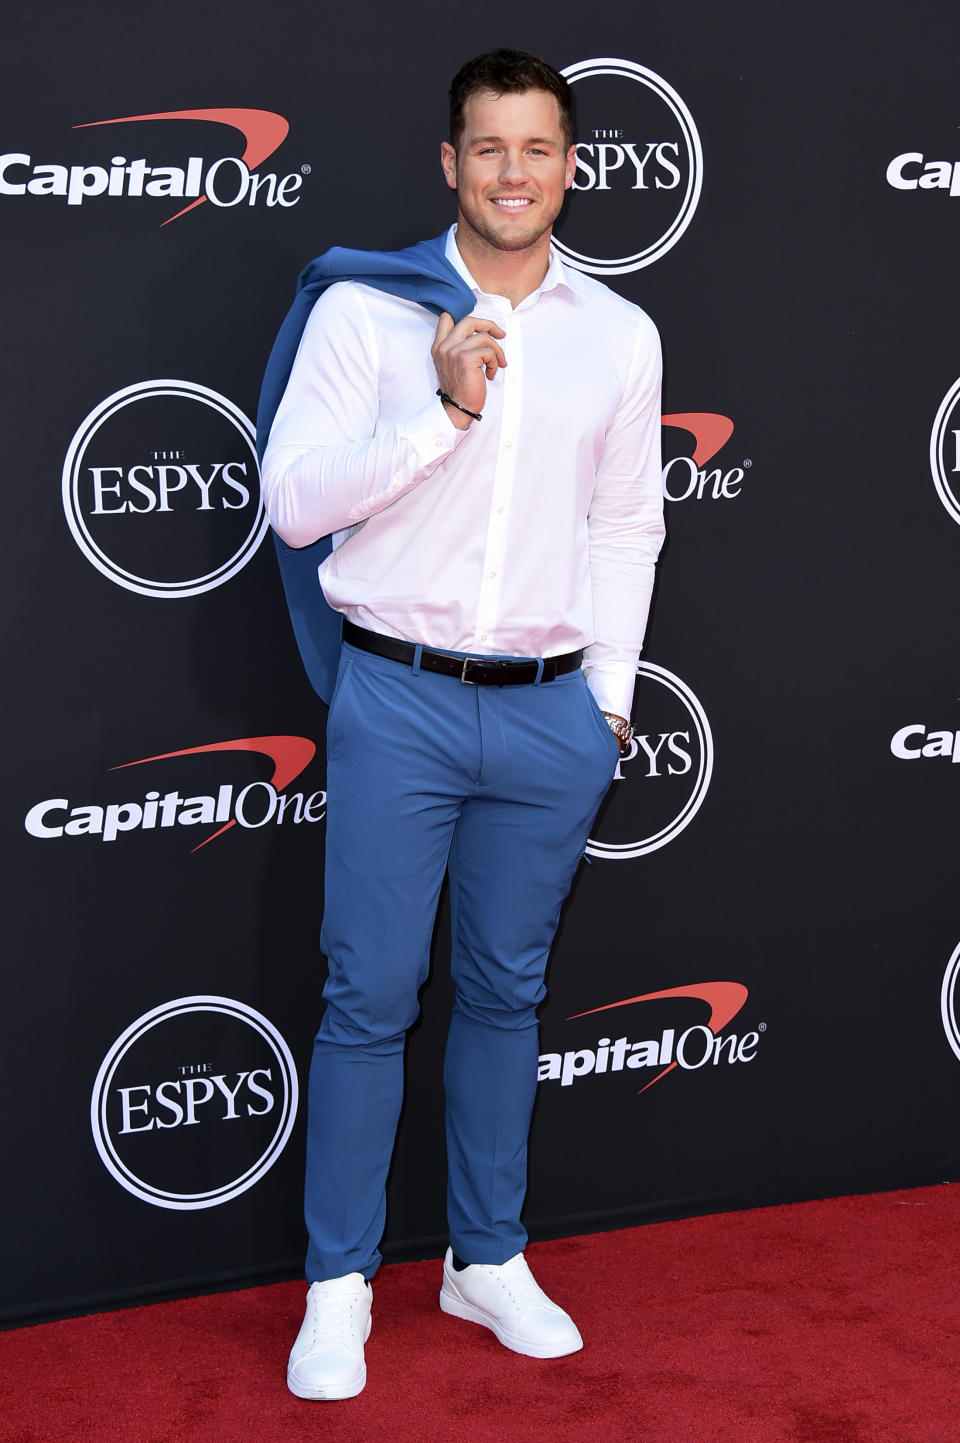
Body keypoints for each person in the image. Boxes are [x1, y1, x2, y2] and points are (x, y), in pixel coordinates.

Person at [259, 47, 665, 1401]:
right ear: (451, 162)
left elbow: (626, 527)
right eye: (488, 149)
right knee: (369, 999)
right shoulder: (367, 313)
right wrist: (440, 410)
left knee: (506, 993)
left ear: (569, 165)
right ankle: (339, 1288)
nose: (513, 174)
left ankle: (485, 1258)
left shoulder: (617, 334)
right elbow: (294, 506)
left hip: (550, 720)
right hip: (400, 700)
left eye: (538, 149)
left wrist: (608, 704)